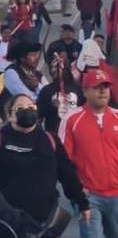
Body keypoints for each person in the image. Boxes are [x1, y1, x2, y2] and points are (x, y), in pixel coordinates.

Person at [59, 69, 118, 238]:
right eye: (96, 87)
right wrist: (78, 190)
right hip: (89, 196)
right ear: (85, 91)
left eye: (106, 87)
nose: (103, 91)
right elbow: (64, 160)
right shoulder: (72, 119)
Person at [0, 94, 91, 235]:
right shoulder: (2, 138)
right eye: (21, 108)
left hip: (44, 222)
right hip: (8, 223)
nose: (27, 110)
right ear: (10, 115)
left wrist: (81, 202)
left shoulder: (50, 139)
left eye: (31, 107)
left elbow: (67, 173)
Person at [37, 54, 84, 134]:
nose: (54, 70)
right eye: (52, 67)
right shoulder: (46, 91)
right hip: (53, 134)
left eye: (57, 67)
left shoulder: (79, 89)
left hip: (76, 132)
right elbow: (39, 117)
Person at [0, 42, 45, 116]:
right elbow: (27, 97)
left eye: (37, 54)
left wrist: (37, 86)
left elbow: (47, 92)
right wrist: (41, 93)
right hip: (14, 115)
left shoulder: (38, 74)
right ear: (22, 58)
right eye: (32, 55)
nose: (37, 58)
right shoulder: (11, 72)